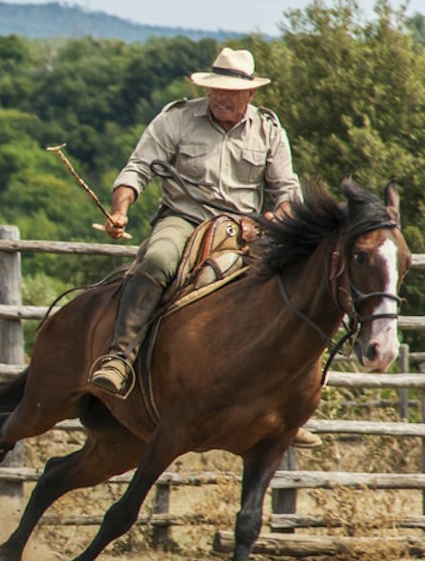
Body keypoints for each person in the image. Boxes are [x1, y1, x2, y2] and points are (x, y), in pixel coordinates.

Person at [88, 46, 299, 399]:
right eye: (215, 88)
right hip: (183, 219)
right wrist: (120, 208)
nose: (220, 97)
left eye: (230, 92)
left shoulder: (269, 130)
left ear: (250, 93)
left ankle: (288, 395)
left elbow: (287, 191)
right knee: (156, 261)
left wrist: (275, 218)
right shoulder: (177, 119)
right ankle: (119, 357)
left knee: (297, 284)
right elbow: (138, 167)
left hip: (245, 228)